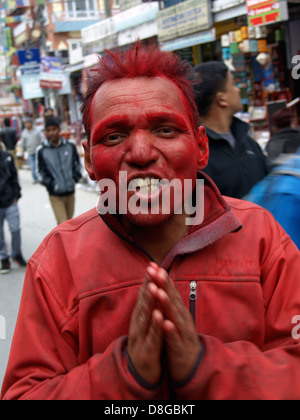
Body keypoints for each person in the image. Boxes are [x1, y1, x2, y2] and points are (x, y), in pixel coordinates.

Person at [2, 43, 300, 401]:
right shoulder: (58, 261)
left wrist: (204, 366)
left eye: (166, 130)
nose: (141, 154)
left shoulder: (261, 238)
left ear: (201, 148)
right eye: (114, 136)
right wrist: (124, 372)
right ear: (90, 161)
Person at [190, 61, 269, 199]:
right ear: (222, 98)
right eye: (233, 84)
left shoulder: (246, 140)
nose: (238, 90)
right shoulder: (199, 157)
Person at [36, 117, 82, 225]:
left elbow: (77, 164)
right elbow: (40, 172)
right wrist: (52, 184)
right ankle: (67, 242)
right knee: (63, 223)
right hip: (55, 195)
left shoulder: (69, 146)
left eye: (54, 129)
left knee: (70, 221)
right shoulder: (42, 150)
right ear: (46, 132)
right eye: (48, 130)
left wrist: (74, 178)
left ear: (59, 129)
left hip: (70, 192)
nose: (51, 132)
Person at [0, 149, 26, 274]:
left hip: (10, 200)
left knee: (15, 229)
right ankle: (4, 258)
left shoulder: (7, 157)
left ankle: (16, 254)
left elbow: (14, 176)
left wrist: (16, 194)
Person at [20, 118, 43, 183]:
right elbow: (23, 143)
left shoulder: (37, 131)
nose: (27, 125)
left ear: (31, 123)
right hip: (30, 152)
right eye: (26, 124)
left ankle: (40, 177)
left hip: (38, 152)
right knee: (32, 167)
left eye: (28, 123)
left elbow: (42, 139)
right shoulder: (24, 133)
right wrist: (22, 153)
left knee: (39, 166)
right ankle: (36, 179)